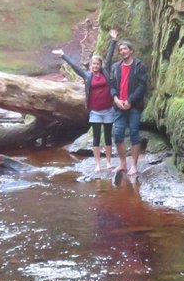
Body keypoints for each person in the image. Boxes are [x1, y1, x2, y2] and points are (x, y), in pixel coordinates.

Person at [52, 29, 118, 172]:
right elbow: (75, 67)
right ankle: (97, 164)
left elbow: (109, 57)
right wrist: (63, 55)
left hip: (107, 110)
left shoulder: (105, 72)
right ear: (90, 66)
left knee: (107, 137)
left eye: (97, 64)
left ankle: (107, 162)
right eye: (93, 64)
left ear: (100, 66)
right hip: (95, 111)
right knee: (95, 139)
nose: (95, 66)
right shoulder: (88, 76)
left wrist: (113, 40)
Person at [109, 34, 149, 179]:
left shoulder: (139, 66)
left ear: (131, 51)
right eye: (120, 50)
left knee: (134, 134)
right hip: (119, 106)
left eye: (125, 49)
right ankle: (123, 163)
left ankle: (134, 165)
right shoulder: (115, 67)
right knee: (118, 135)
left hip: (134, 107)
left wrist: (130, 101)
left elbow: (141, 86)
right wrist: (116, 99)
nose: (123, 51)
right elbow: (112, 85)